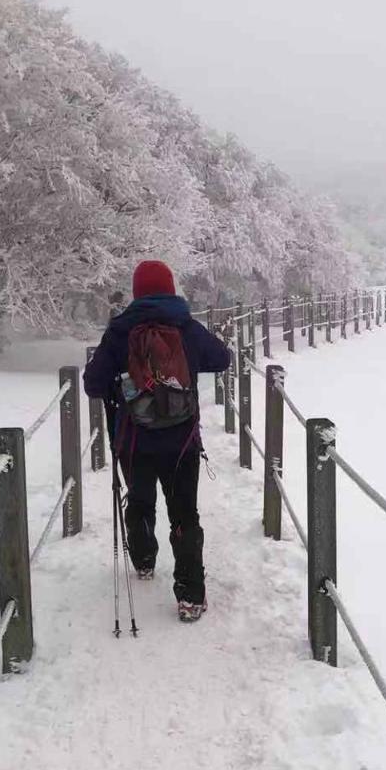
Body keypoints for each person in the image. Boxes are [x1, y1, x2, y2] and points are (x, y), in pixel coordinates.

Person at [83, 261, 230, 622]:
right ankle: (191, 595)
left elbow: (92, 383)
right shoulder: (185, 326)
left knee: (141, 500)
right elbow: (222, 358)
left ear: (136, 291)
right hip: (182, 441)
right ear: (169, 288)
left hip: (134, 441)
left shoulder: (120, 331)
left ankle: (144, 560)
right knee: (184, 513)